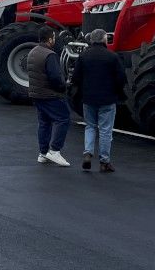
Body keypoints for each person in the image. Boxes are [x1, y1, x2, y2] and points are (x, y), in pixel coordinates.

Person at [70, 28, 126, 172]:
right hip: (107, 98)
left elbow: (76, 77)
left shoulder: (84, 56)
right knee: (106, 130)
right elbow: (121, 78)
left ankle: (88, 153)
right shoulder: (112, 57)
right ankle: (104, 161)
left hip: (88, 98)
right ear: (104, 39)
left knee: (90, 126)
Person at [27, 25, 70, 167]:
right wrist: (64, 86)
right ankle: (55, 150)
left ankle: (43, 153)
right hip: (50, 94)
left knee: (44, 123)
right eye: (54, 38)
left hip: (36, 94)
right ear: (50, 39)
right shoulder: (49, 55)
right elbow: (56, 78)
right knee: (63, 119)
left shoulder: (33, 52)